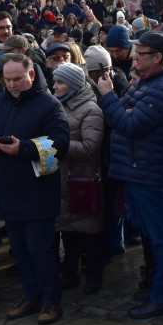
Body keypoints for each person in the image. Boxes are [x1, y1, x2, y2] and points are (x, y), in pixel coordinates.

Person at [0, 55, 70, 325]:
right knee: (20, 251)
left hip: (38, 190)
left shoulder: (49, 104)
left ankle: (52, 302)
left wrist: (24, 148)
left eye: (18, 79)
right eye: (8, 79)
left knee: (40, 250)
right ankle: (31, 296)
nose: (13, 84)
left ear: (31, 75)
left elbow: (60, 143)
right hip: (6, 188)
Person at [99, 31, 163, 319]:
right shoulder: (145, 83)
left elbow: (129, 124)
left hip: (148, 172)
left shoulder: (162, 88)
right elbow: (125, 116)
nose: (135, 57)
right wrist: (120, 106)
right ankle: (159, 290)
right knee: (152, 234)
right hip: (136, 170)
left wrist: (108, 95)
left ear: (158, 57)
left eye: (141, 53)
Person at [52, 63, 106, 294]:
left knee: (90, 233)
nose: (55, 86)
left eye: (59, 82)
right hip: (63, 178)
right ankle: (70, 273)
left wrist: (57, 146)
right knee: (68, 231)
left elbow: (91, 147)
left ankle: (93, 278)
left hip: (82, 180)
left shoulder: (91, 109)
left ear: (73, 85)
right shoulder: (58, 106)